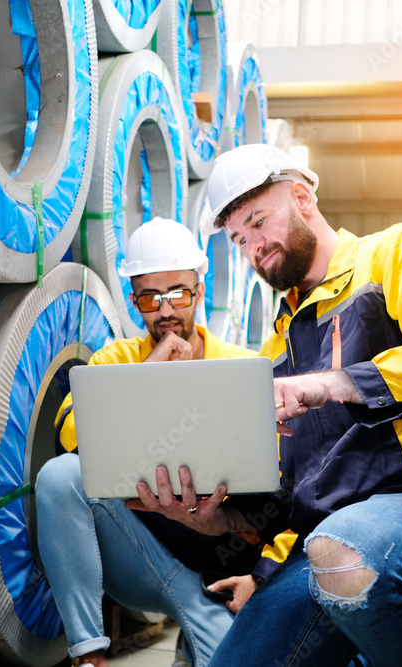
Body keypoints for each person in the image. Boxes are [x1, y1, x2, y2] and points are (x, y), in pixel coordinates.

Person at [126, 144, 402, 666]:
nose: (253, 246)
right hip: (321, 547)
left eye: (258, 222)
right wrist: (216, 522)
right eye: (239, 239)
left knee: (345, 554)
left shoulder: (393, 254)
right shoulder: (276, 350)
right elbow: (288, 500)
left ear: (302, 197)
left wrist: (338, 383)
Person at [35, 217, 280, 667]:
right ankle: (88, 657)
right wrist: (149, 371)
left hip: (224, 562)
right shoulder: (116, 362)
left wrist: (264, 577)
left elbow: (288, 481)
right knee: (60, 476)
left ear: (199, 292)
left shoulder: (243, 368)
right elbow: (71, 434)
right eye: (150, 297)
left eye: (178, 294)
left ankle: (200, 628)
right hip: (144, 555)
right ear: (134, 302)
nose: (165, 310)